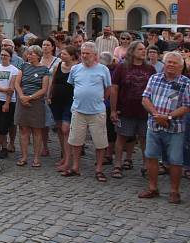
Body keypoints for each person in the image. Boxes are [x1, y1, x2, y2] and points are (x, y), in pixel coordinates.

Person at [139, 51, 190, 204]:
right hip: (154, 125)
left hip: (175, 128)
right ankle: (153, 188)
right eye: (169, 62)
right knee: (151, 156)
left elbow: (187, 106)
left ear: (181, 66)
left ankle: (174, 191)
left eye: (175, 63)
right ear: (164, 64)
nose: (171, 65)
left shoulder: (185, 82)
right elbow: (145, 99)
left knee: (175, 160)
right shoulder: (154, 78)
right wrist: (156, 115)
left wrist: (167, 117)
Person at [63, 42, 112, 182]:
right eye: (82, 53)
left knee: (100, 142)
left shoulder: (103, 70)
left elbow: (108, 88)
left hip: (97, 111)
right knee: (76, 141)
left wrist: (100, 99)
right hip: (78, 110)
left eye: (87, 53)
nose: (84, 56)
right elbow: (72, 84)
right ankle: (75, 167)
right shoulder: (75, 69)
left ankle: (99, 169)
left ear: (95, 55)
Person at [109, 41, 154, 179]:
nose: (143, 51)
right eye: (140, 49)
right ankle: (117, 164)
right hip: (125, 109)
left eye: (144, 49)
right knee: (121, 137)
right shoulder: (122, 68)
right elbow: (115, 89)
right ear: (132, 51)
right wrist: (113, 109)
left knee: (144, 139)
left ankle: (146, 165)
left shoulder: (150, 69)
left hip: (144, 111)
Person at [13, 46, 51, 167]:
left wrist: (29, 98)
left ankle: (36, 158)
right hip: (22, 100)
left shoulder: (44, 70)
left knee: (37, 130)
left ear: (38, 55)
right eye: (28, 54)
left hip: (36, 103)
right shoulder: (23, 66)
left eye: (32, 54)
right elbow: (17, 83)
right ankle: (24, 156)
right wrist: (21, 96)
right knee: (23, 130)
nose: (29, 56)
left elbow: (44, 89)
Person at [50, 46, 78, 172]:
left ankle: (68, 160)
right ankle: (65, 155)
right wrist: (49, 95)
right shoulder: (58, 66)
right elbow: (54, 81)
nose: (62, 56)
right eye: (62, 54)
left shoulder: (76, 68)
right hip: (57, 101)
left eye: (65, 54)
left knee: (66, 129)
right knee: (60, 129)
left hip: (70, 101)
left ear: (72, 56)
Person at [0, 47, 20, 159]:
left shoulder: (14, 70)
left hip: (8, 101)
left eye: (5, 55)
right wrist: (4, 89)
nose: (3, 57)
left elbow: (11, 88)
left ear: (10, 57)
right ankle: (2, 147)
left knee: (4, 126)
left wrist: (6, 103)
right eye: (1, 55)